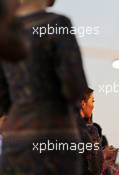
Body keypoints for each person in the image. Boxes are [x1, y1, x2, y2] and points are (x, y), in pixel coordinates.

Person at [0, 0, 89, 174]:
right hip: (55, 140)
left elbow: (3, 99)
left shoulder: (5, 32)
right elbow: (75, 87)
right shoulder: (57, 24)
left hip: (15, 143)